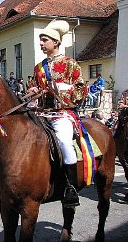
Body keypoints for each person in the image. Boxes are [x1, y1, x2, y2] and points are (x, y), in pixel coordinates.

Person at [33, 20, 87, 207]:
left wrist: (62, 91)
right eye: (40, 40)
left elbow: (81, 88)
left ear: (56, 42)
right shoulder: (39, 67)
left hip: (62, 113)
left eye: (44, 40)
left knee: (64, 141)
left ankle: (71, 188)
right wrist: (33, 92)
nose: (41, 43)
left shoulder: (70, 64)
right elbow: (34, 87)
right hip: (42, 112)